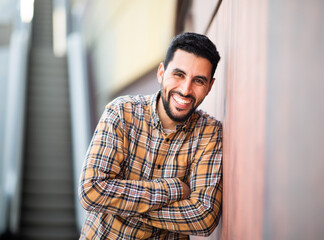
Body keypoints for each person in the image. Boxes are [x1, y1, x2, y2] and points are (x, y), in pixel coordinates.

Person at [79, 32, 222, 240]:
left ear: (210, 87)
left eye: (198, 81)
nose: (185, 89)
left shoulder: (209, 133)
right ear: (161, 72)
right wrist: (172, 189)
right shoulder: (121, 112)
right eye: (178, 75)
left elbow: (204, 217)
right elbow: (91, 191)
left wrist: (123, 207)